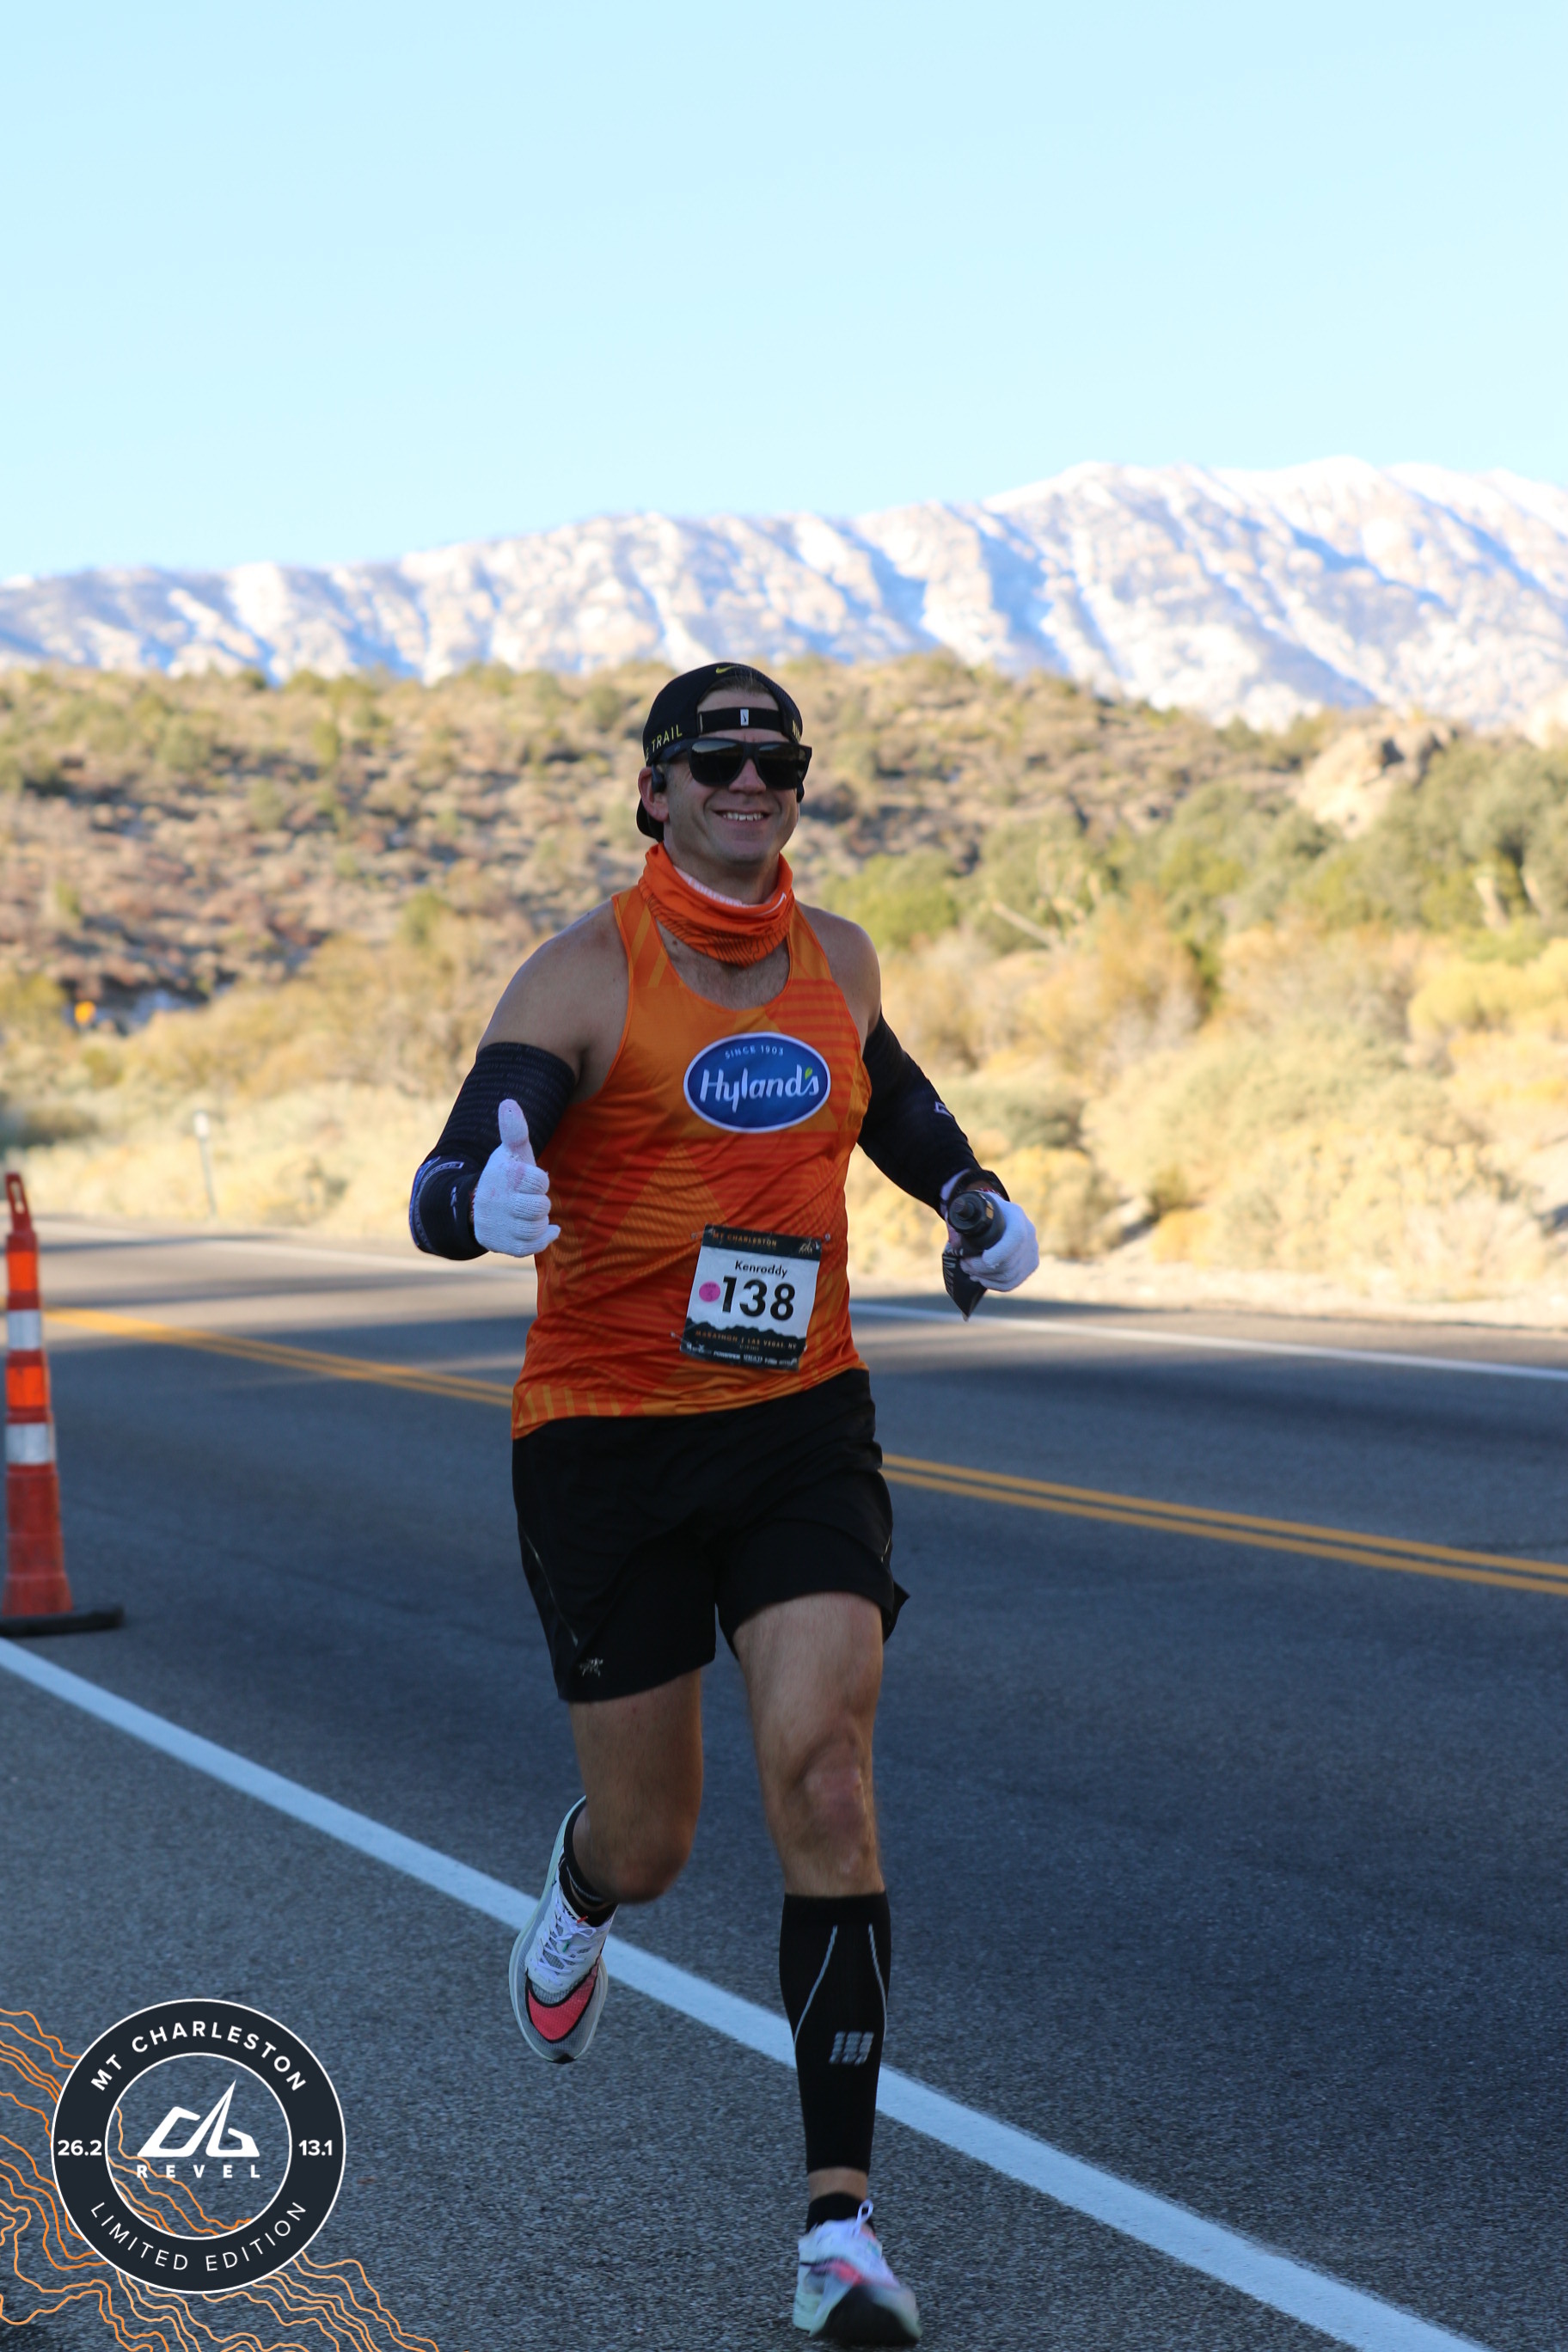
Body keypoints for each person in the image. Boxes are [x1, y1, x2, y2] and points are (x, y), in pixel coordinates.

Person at [409, 662, 1038, 2343]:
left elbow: (889, 1098)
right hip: (606, 1443)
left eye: (778, 757)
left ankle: (838, 2231)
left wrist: (971, 1194)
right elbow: (449, 1173)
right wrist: (482, 1200)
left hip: (796, 1426)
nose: (750, 780)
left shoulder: (840, 956)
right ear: (656, 791)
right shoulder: (582, 976)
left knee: (828, 1776)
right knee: (658, 1841)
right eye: (715, 758)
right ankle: (583, 1887)